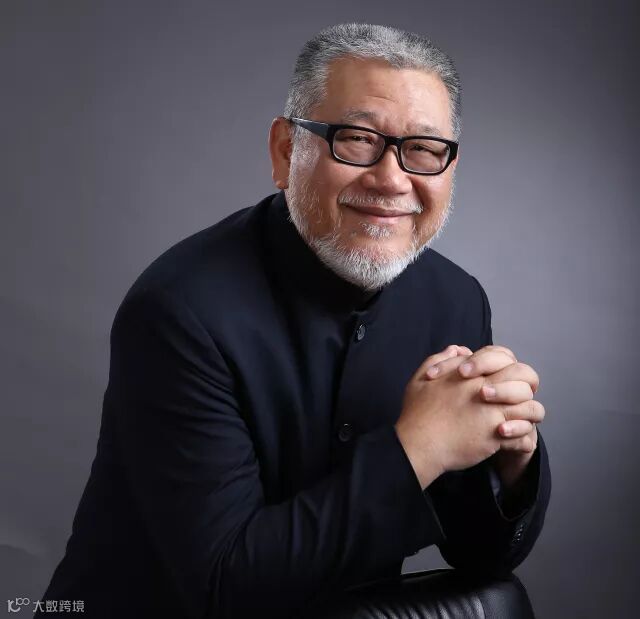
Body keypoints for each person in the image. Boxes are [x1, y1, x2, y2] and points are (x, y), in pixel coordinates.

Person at [37, 23, 551, 619]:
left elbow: (482, 558)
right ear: (286, 151)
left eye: (423, 149)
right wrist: (421, 446)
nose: (392, 179)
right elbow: (224, 587)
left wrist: (512, 465)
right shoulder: (178, 312)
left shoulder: (456, 300)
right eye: (356, 139)